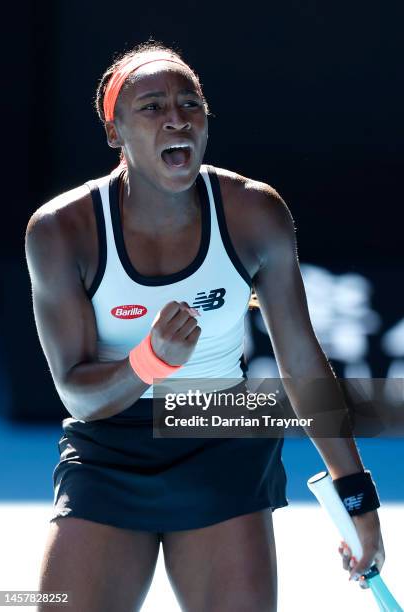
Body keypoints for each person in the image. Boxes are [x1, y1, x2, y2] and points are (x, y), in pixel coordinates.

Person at [25, 40, 385, 612]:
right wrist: (151, 360)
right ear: (114, 132)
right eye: (151, 106)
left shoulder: (254, 212)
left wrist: (357, 498)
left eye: (190, 104)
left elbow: (301, 361)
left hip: (221, 435)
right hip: (108, 448)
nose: (176, 117)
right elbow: (78, 393)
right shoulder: (61, 230)